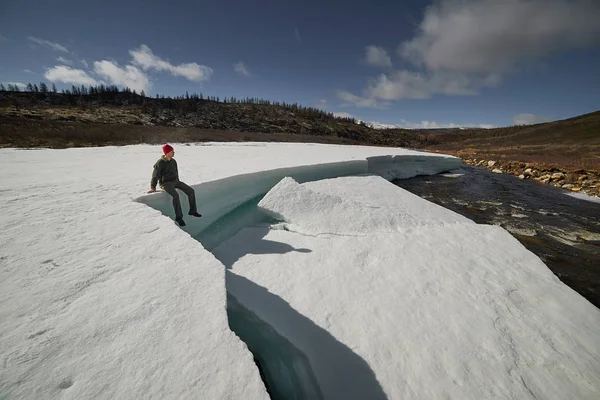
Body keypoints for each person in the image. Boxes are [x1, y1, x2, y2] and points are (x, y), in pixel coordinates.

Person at [148, 144, 202, 226]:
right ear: (167, 152)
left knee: (191, 191)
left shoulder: (173, 161)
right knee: (176, 196)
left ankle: (192, 211)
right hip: (165, 183)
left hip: (175, 181)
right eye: (172, 151)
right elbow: (155, 175)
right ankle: (179, 217)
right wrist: (153, 187)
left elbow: (176, 172)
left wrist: (178, 182)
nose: (174, 152)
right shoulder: (160, 162)